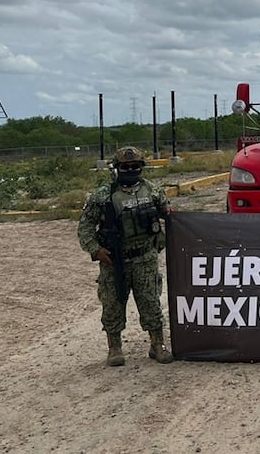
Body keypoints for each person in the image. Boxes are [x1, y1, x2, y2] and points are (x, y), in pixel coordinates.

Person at [77, 146, 174, 366]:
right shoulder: (103, 196)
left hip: (145, 258)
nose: (130, 169)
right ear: (117, 168)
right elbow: (85, 227)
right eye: (125, 166)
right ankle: (115, 348)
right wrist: (96, 250)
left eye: (135, 166)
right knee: (112, 304)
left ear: (141, 167)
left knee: (151, 302)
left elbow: (168, 214)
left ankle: (157, 344)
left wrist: (172, 216)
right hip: (114, 260)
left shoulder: (153, 191)